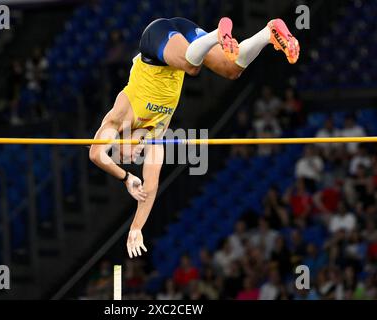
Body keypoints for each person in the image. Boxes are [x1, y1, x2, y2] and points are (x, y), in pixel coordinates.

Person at [88, 16, 300, 258]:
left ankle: (217, 34)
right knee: (231, 69)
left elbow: (95, 153)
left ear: (119, 141)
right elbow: (151, 186)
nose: (135, 156)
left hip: (156, 41)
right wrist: (136, 228)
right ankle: (269, 32)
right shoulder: (156, 137)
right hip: (185, 44)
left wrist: (125, 177)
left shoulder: (120, 115)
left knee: (192, 67)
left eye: (126, 155)